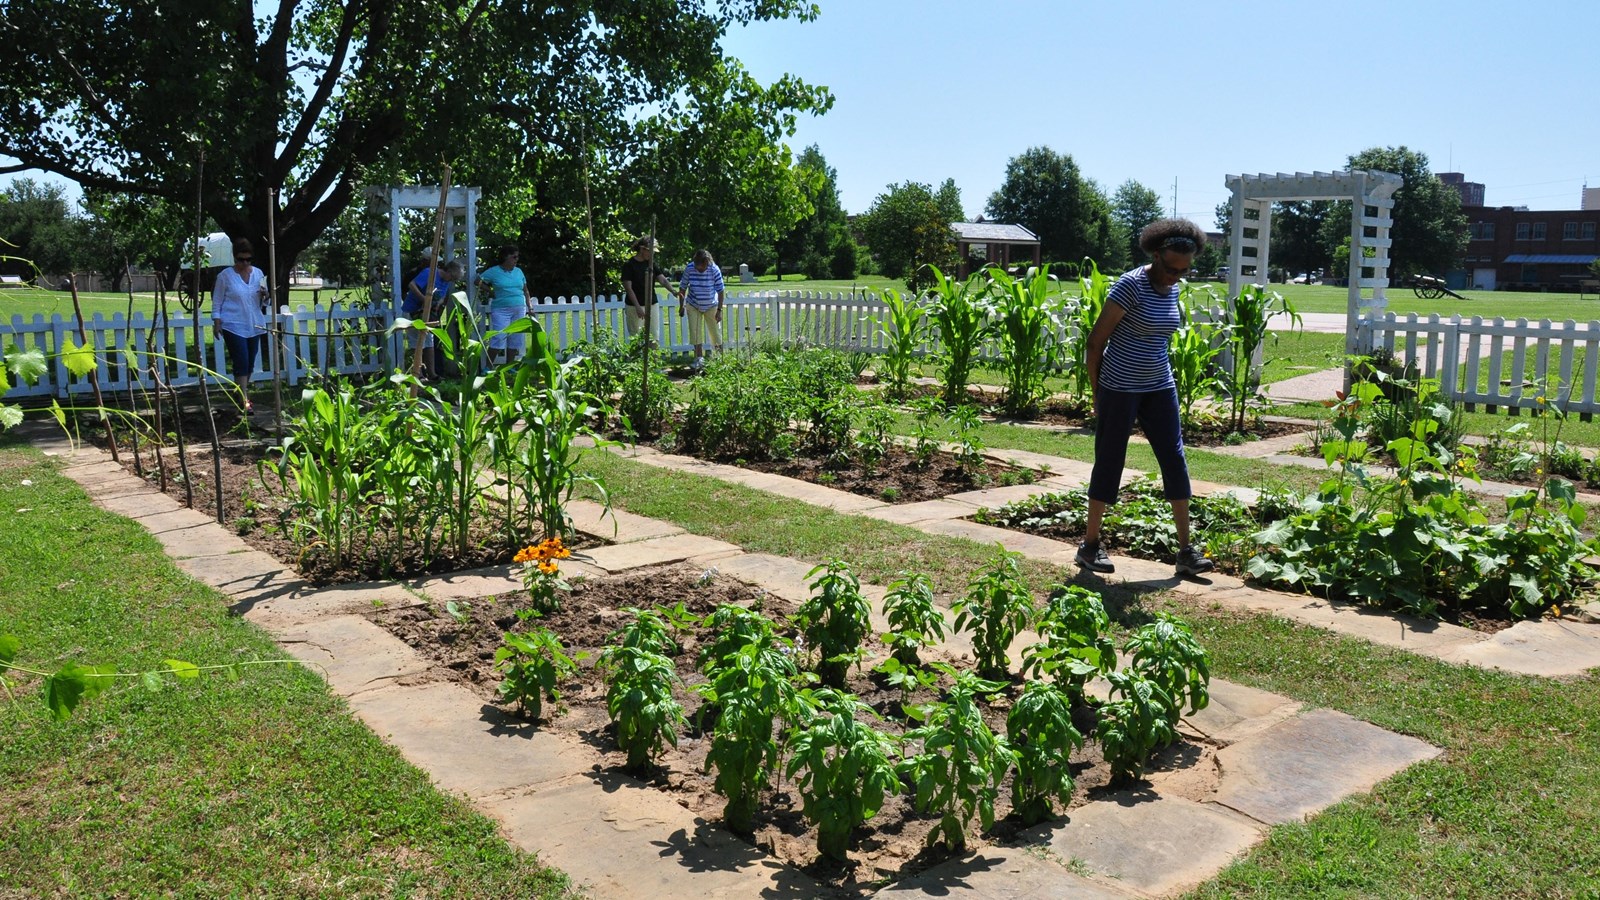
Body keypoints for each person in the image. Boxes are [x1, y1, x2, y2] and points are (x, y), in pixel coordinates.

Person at [1076, 218, 1215, 578]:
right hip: (1119, 387)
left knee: (1174, 458)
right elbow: (1095, 343)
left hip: (1159, 386)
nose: (1175, 276)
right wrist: (1098, 393)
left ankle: (1185, 552)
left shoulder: (1173, 289)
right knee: (1110, 459)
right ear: (1156, 254)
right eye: (1171, 268)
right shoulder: (1130, 286)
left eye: (1183, 271)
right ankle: (1090, 546)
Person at [210, 238, 267, 413]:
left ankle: (240, 391)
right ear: (234, 258)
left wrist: (266, 295)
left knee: (249, 363)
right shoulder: (225, 276)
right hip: (233, 325)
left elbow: (266, 301)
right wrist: (217, 321)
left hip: (254, 324)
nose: (244, 263)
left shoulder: (258, 274)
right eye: (241, 259)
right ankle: (244, 400)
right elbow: (217, 300)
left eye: (248, 259)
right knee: (241, 360)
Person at [405, 257, 462, 379]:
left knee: (429, 342)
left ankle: (432, 373)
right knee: (417, 342)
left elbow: (442, 296)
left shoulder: (446, 281)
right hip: (413, 311)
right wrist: (423, 299)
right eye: (452, 278)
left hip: (429, 313)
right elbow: (412, 285)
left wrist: (438, 304)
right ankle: (418, 373)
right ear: (448, 271)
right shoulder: (429, 273)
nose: (451, 281)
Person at [477, 244, 533, 364]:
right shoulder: (493, 271)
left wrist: (530, 307)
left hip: (519, 308)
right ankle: (487, 367)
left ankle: (510, 367)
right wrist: (490, 291)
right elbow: (478, 281)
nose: (516, 260)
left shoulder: (519, 272)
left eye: (517, 257)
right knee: (498, 337)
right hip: (501, 310)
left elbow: (525, 290)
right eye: (514, 257)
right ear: (505, 257)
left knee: (515, 338)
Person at [620, 237, 679, 340]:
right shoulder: (629, 265)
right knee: (636, 337)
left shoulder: (651, 264)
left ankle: (654, 356)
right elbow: (628, 288)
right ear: (642, 249)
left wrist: (673, 291)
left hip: (652, 304)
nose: (652, 255)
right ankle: (638, 356)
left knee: (654, 336)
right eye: (650, 251)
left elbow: (663, 280)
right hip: (634, 306)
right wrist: (638, 307)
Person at [677, 248, 725, 369]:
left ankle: (720, 359)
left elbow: (720, 291)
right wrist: (681, 305)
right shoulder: (689, 268)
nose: (699, 269)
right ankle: (699, 359)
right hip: (693, 304)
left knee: (715, 332)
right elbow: (682, 288)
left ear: (707, 263)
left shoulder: (714, 269)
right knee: (695, 331)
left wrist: (719, 310)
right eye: (697, 266)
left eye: (702, 267)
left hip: (711, 304)